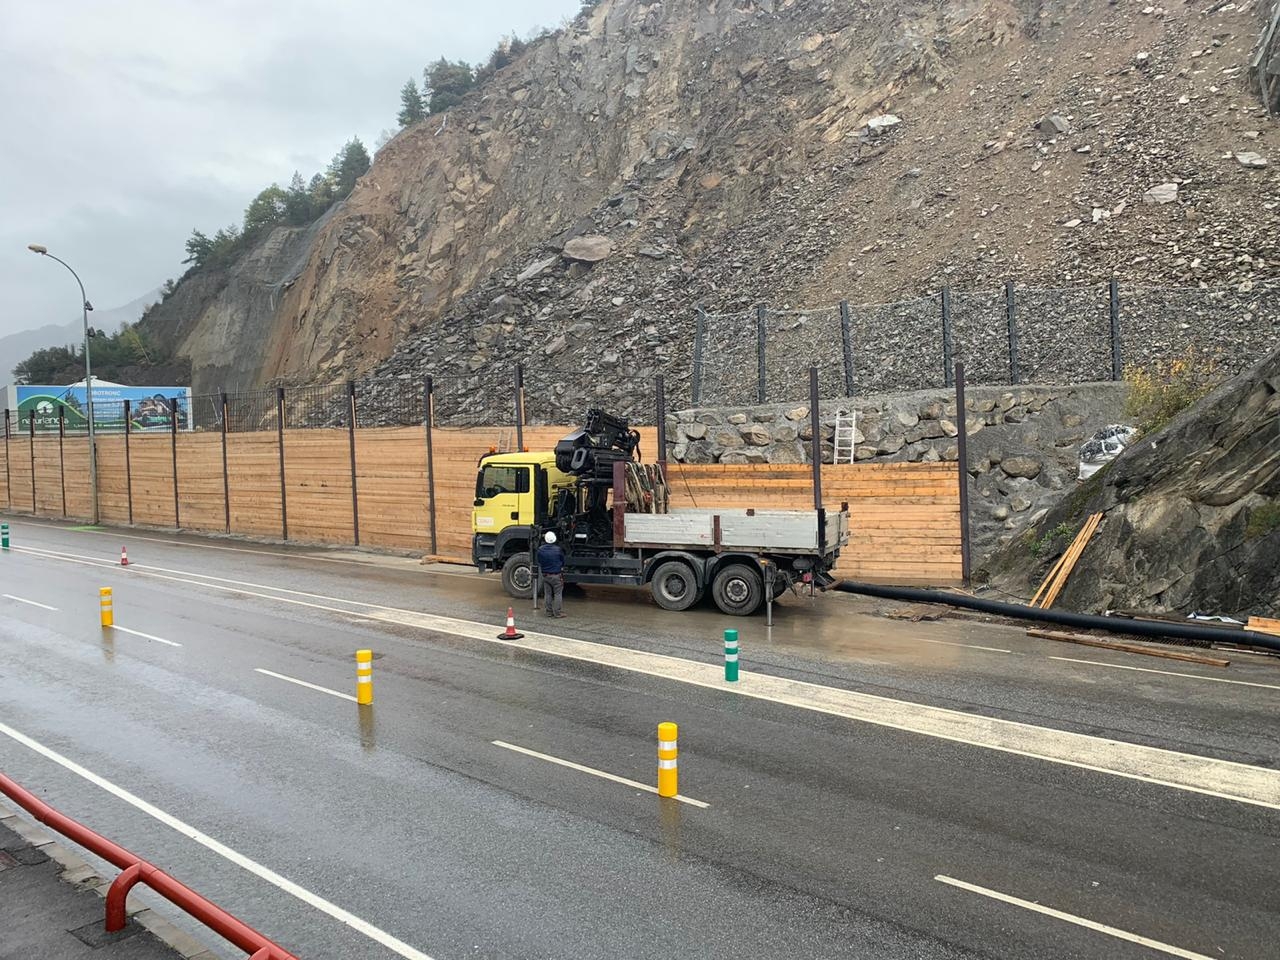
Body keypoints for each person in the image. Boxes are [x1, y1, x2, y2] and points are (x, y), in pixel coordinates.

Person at [536, 531, 566, 618]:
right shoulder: (558, 550)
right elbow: (562, 561)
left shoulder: (540, 550)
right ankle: (558, 613)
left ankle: (549, 612)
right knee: (558, 594)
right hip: (556, 575)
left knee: (548, 594)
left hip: (545, 575)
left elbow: (539, 561)